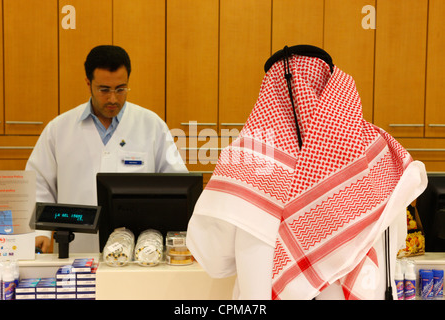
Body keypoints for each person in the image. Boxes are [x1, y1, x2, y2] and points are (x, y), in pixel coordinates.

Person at [186, 45, 427, 300]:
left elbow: (213, 256)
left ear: (270, 92)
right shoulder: (378, 153)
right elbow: (397, 234)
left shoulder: (245, 159)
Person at [28, 45, 187, 253]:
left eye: (121, 89)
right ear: (88, 83)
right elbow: (37, 184)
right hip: (74, 250)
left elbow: (177, 188)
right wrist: (40, 232)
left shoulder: (152, 125)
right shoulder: (59, 129)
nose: (113, 99)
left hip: (138, 253)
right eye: (104, 90)